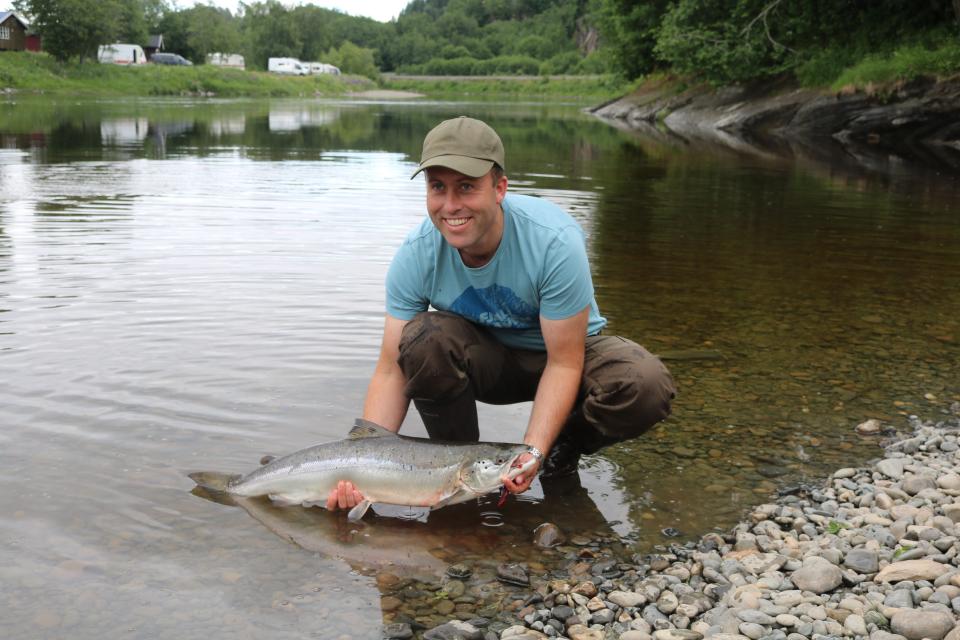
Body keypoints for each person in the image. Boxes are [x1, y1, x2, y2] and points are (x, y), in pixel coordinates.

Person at [326, 116, 676, 512]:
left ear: (500, 189)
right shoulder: (417, 252)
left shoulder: (554, 242)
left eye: (467, 187)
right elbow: (391, 369)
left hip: (563, 358)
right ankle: (457, 471)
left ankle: (562, 450)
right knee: (424, 339)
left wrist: (534, 450)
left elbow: (564, 364)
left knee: (643, 384)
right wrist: (361, 462)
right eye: (437, 187)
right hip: (486, 362)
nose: (450, 205)